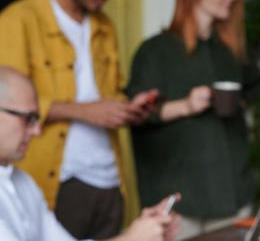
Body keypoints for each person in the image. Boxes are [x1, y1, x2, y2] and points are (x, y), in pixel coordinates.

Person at [0, 0, 160, 239]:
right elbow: (10, 98)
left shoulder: (105, 25)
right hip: (59, 178)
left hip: (109, 177)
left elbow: (109, 92)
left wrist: (128, 109)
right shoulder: (18, 21)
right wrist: (85, 112)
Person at [125, 0, 255, 239]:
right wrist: (185, 105)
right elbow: (136, 114)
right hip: (181, 198)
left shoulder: (230, 51)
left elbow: (252, 93)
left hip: (233, 192)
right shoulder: (155, 51)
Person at [0, 66, 181, 241]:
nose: (37, 130)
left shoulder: (24, 184)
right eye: (28, 119)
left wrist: (145, 233)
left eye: (36, 119)